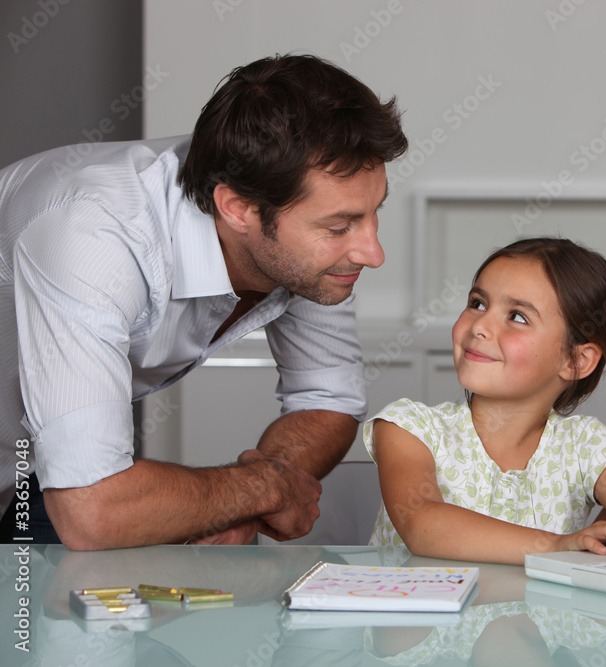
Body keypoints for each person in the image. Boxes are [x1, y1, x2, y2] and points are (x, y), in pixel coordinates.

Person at [0, 54, 408, 549]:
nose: (373, 253)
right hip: (70, 485)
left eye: (373, 213)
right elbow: (93, 510)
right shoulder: (94, 237)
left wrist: (245, 502)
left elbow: (329, 399)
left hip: (45, 467)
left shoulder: (293, 231)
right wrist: (260, 489)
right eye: (340, 226)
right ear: (237, 208)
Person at [365, 237, 606, 565]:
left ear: (576, 360)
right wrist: (558, 546)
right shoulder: (408, 428)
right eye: (478, 303)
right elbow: (422, 523)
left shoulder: (587, 447)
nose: (480, 326)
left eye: (517, 316)